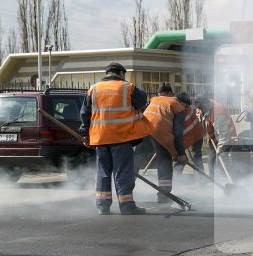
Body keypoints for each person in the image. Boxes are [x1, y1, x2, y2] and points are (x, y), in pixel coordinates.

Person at [80, 62, 153, 215]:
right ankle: (126, 206)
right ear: (121, 73)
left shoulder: (93, 89)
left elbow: (85, 114)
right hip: (121, 137)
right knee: (123, 171)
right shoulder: (127, 87)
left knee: (103, 172)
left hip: (100, 138)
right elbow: (142, 101)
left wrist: (85, 133)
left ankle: (103, 206)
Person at [143, 84, 188, 203]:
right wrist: (181, 154)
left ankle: (125, 194)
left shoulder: (154, 100)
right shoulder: (177, 106)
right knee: (165, 163)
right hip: (159, 132)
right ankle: (164, 196)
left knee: (136, 161)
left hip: (142, 130)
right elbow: (178, 134)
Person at [193, 94, 237, 181]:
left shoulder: (218, 112)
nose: (200, 109)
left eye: (201, 107)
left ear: (206, 103)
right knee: (211, 158)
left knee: (221, 159)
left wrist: (219, 151)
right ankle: (212, 181)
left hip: (227, 138)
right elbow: (202, 119)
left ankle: (228, 180)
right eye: (199, 108)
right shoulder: (203, 108)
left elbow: (224, 135)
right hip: (214, 136)